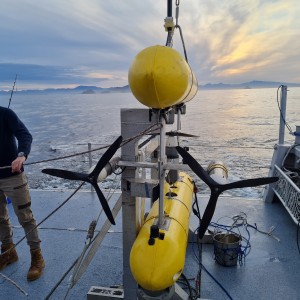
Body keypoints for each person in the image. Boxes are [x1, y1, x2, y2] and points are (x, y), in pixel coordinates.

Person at [0, 106, 45, 281]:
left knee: (26, 218)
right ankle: (8, 252)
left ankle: (37, 257)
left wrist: (21, 155)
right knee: (0, 218)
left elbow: (25, 135)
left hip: (13, 177)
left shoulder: (5, 114)